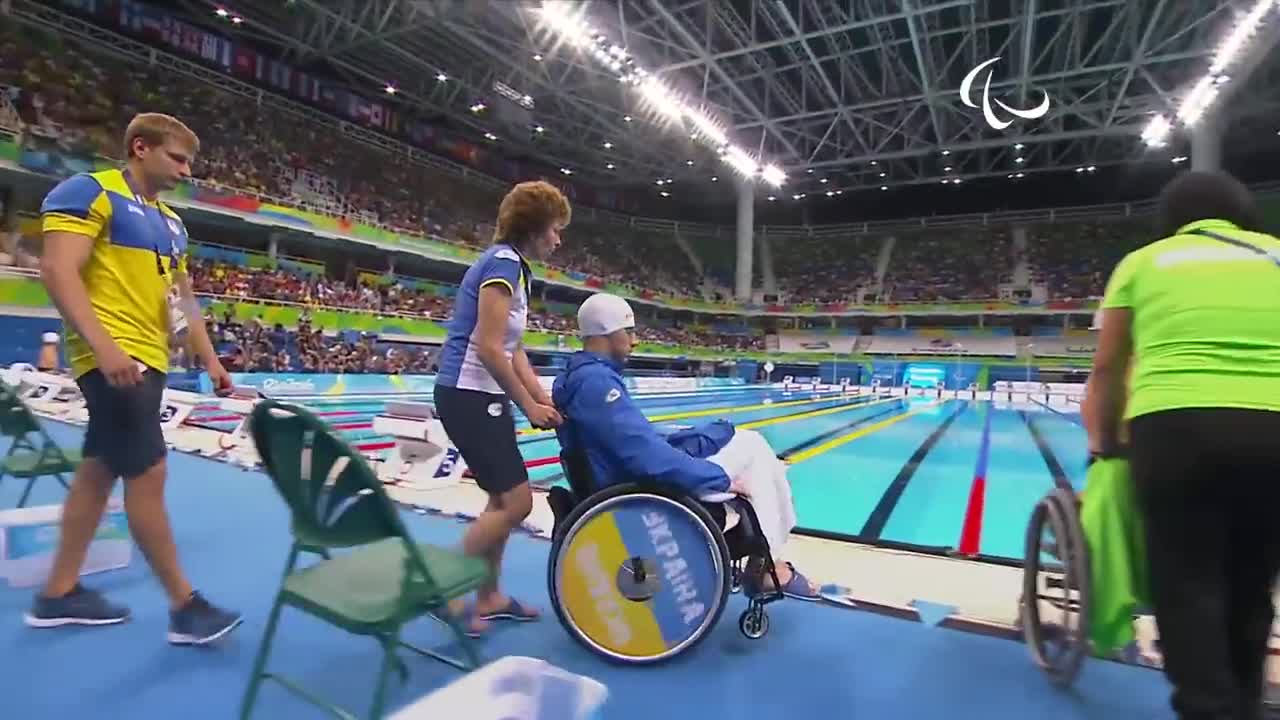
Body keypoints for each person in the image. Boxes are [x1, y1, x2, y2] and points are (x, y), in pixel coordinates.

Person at [26, 113, 241, 645]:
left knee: (99, 470)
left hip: (148, 357)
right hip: (116, 360)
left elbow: (182, 299)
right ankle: (185, 606)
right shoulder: (88, 192)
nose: (186, 170)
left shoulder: (171, 223)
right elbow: (57, 270)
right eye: (178, 158)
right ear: (140, 148)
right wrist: (104, 347)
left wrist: (209, 358)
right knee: (149, 475)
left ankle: (58, 593)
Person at [1087, 170, 1280, 720]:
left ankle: (1207, 710)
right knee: (1252, 581)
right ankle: (1244, 706)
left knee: (1187, 580)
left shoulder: (1144, 262)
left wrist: (1105, 451)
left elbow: (1108, 371)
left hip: (1176, 428)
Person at [552, 293, 819, 600]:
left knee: (748, 442)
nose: (635, 341)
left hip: (626, 479)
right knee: (755, 451)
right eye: (630, 332)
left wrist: (701, 437)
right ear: (607, 332)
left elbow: (636, 441)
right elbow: (646, 457)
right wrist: (720, 479)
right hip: (638, 491)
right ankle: (766, 567)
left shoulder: (581, 377)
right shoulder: (596, 384)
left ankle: (767, 559)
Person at [433, 180, 569, 636]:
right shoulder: (503, 264)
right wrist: (528, 404)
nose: (558, 239)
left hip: (483, 395)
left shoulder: (517, 270)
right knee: (518, 503)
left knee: (499, 499)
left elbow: (514, 351)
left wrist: (542, 396)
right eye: (554, 229)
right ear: (533, 227)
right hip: (467, 393)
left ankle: (488, 596)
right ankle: (441, 587)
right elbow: (489, 349)